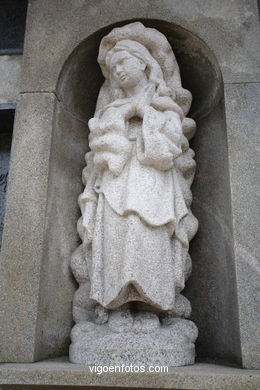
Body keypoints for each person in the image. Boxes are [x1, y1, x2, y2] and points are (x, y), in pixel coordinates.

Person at [73, 23, 198, 327]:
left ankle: (151, 305)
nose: (118, 71)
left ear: (143, 62)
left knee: (148, 233)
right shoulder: (112, 108)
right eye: (113, 67)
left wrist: (146, 114)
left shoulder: (163, 103)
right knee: (115, 235)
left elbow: (171, 145)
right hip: (116, 179)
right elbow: (99, 144)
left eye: (123, 62)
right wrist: (126, 112)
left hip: (152, 179)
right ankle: (116, 305)